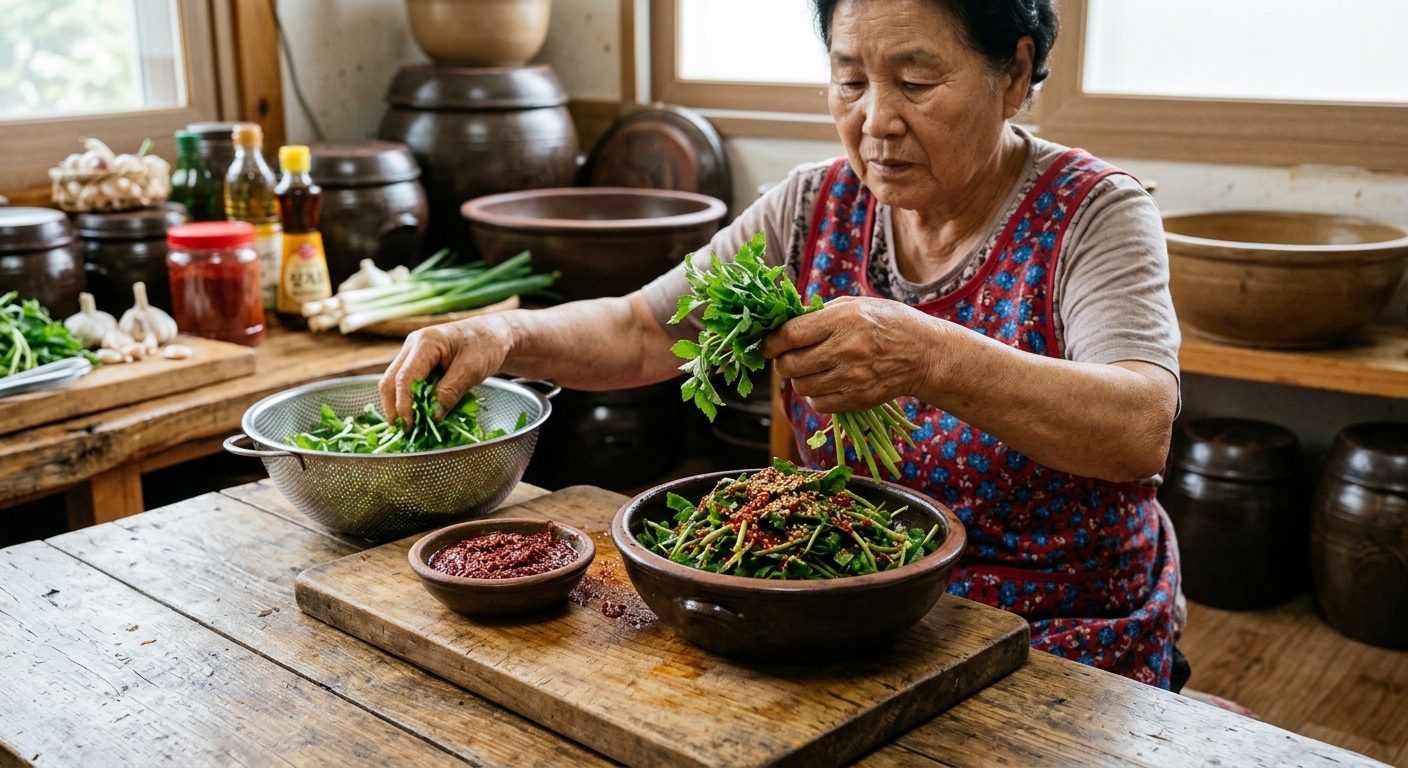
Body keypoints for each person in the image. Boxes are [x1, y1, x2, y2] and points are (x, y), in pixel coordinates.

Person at [381, 0, 1185, 689]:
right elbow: (644, 329)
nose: (876, 120)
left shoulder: (1094, 212)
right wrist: (502, 330)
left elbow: (1138, 426)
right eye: (850, 80)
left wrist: (930, 356)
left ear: (1013, 74)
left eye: (915, 82)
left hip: (1055, 631)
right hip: (850, 610)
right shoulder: (814, 205)